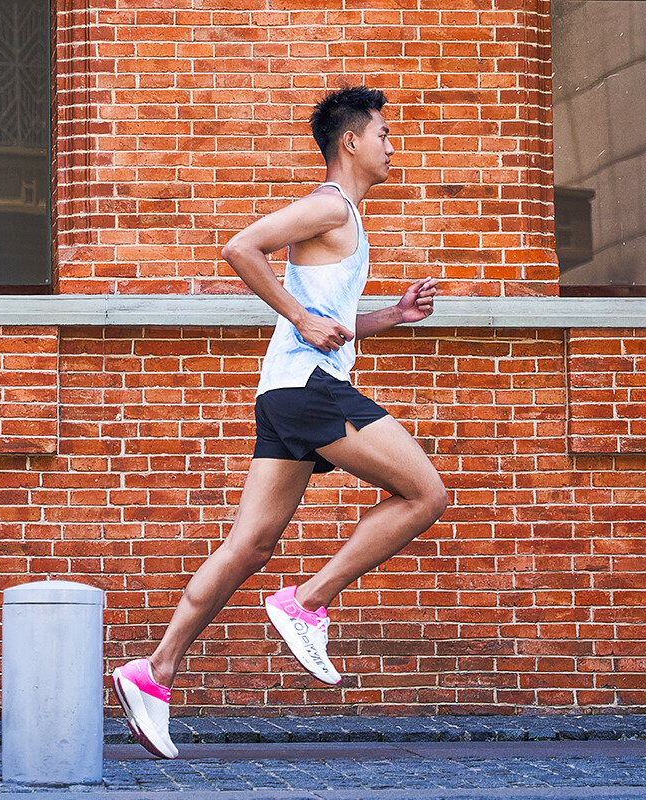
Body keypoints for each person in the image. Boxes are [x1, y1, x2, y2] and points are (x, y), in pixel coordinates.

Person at [112, 85, 447, 759]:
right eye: (383, 134)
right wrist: (298, 317)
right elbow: (241, 248)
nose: (392, 146)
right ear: (350, 141)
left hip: (286, 393)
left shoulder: (344, 216)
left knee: (250, 547)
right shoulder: (331, 205)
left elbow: (331, 325)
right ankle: (308, 601)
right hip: (312, 391)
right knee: (425, 495)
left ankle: (155, 670)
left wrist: (392, 315)